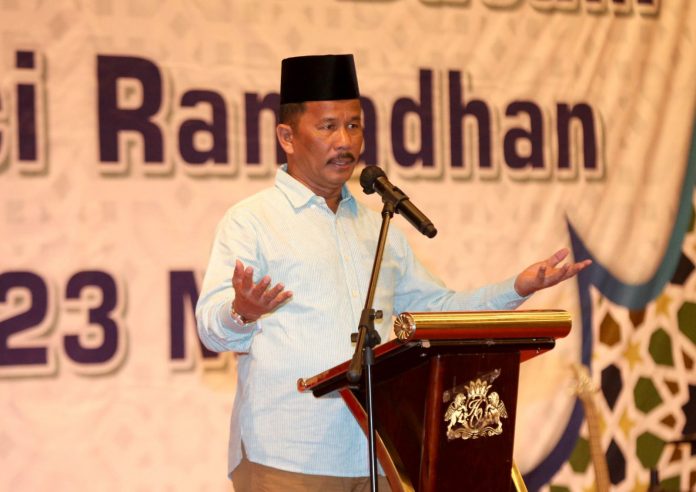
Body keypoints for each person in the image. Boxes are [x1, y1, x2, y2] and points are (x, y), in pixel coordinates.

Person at [195, 54, 591, 492]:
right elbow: (212, 328)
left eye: (354, 125)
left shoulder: (378, 227)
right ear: (287, 137)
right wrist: (242, 311)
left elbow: (438, 311)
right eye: (328, 127)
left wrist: (516, 288)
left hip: (379, 455)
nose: (345, 141)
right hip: (287, 458)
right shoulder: (251, 221)